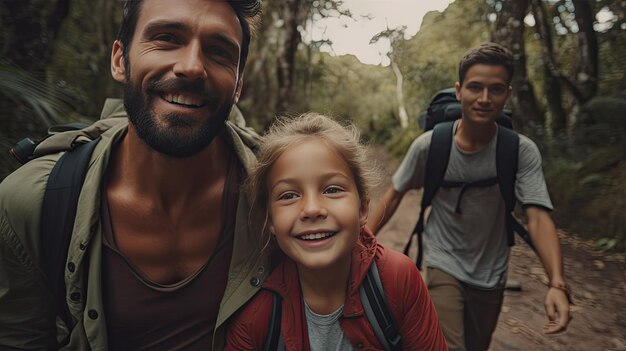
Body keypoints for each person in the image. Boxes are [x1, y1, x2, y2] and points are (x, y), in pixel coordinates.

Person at [0, 0, 266, 349]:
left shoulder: (282, 192)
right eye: (167, 38)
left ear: (238, 84)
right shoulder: (32, 202)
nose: (191, 67)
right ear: (120, 59)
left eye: (219, 52)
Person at [368, 43, 571, 351]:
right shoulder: (429, 146)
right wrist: (360, 244)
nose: (485, 99)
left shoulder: (520, 150)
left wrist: (556, 283)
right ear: (459, 90)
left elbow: (537, 216)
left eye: (496, 89)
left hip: (492, 271)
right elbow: (393, 196)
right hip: (442, 260)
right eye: (475, 87)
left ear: (508, 94)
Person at [226, 113, 448, 350]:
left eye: (332, 189)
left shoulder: (398, 280)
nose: (312, 209)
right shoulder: (256, 318)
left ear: (363, 207)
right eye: (289, 195)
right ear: (269, 219)